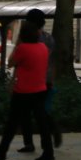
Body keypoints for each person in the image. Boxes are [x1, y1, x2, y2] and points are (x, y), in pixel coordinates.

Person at [0, 20, 54, 160]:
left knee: (11, 123)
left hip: (22, 91)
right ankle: (48, 152)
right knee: (42, 122)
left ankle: (1, 153)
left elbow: (10, 63)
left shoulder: (22, 48)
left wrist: (18, 45)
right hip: (40, 89)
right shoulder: (43, 48)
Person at [19, 9, 62, 152]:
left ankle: (29, 143)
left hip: (31, 81)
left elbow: (19, 59)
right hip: (47, 79)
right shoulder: (49, 38)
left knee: (25, 113)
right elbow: (53, 61)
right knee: (41, 112)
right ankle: (50, 133)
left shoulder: (29, 38)